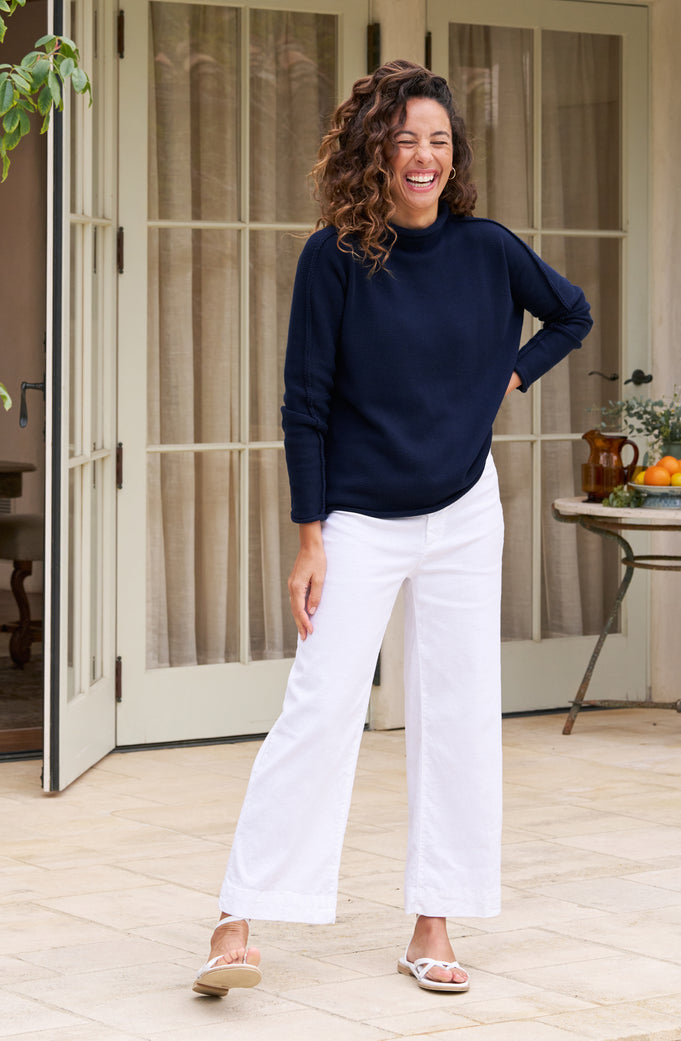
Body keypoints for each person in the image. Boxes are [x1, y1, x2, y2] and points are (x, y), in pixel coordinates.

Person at [193, 58, 592, 998]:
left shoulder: (489, 248)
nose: (424, 156)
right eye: (407, 138)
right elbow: (304, 404)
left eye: (439, 141)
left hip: (464, 513)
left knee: (457, 716)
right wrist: (310, 536)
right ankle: (238, 914)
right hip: (360, 520)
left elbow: (570, 314)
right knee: (320, 705)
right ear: (375, 149)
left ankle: (433, 923)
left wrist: (511, 374)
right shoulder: (333, 257)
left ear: (455, 157)